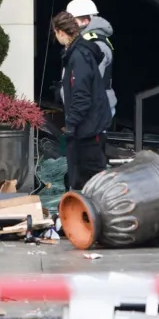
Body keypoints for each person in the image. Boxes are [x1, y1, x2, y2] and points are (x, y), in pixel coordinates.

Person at [53, 11, 112, 191]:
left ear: (61, 32)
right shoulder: (79, 52)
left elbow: (81, 95)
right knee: (85, 177)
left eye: (55, 34)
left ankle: (91, 206)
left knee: (91, 178)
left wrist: (71, 124)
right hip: (87, 126)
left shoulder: (79, 56)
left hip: (87, 128)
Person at [66, 0, 116, 118]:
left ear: (85, 21)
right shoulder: (85, 41)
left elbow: (90, 82)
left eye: (72, 21)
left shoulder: (95, 44)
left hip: (93, 109)